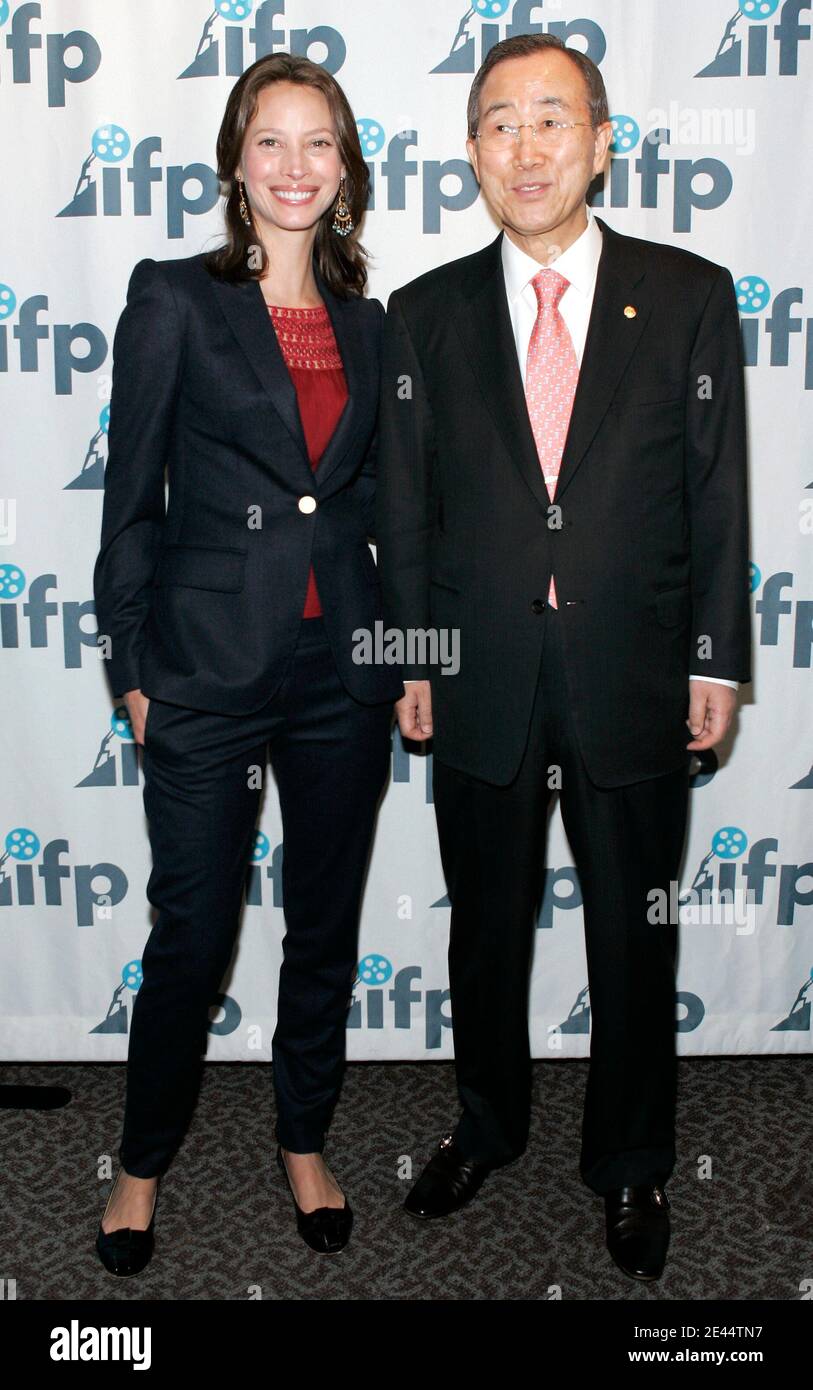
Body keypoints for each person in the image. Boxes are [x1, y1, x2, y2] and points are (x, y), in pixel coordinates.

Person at [375, 33, 750, 1282]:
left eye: (551, 119)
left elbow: (716, 497)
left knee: (635, 936)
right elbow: (409, 513)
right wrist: (416, 658)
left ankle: (634, 1160)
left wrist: (717, 661)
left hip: (633, 675)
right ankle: (486, 1122)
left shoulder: (690, 295)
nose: (524, 147)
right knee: (485, 927)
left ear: (601, 141)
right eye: (498, 122)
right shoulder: (420, 316)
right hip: (479, 677)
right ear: (471, 150)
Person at [92, 52, 403, 1273]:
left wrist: (400, 648)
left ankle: (304, 1137)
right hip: (206, 669)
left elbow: (370, 496)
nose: (293, 166)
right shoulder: (172, 297)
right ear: (234, 162)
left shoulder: (371, 324)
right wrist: (131, 661)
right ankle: (139, 1162)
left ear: (346, 170)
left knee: (323, 926)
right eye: (269, 142)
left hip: (345, 670)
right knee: (193, 931)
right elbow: (130, 501)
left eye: (317, 143)